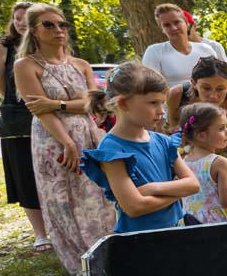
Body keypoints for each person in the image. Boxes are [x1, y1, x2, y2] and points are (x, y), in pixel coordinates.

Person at [13, 3, 116, 275]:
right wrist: (67, 142)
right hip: (52, 137)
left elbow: (92, 104)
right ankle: (80, 258)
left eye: (62, 25)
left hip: (87, 131)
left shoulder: (81, 65)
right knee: (61, 196)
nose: (58, 30)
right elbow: (39, 109)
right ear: (34, 30)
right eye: (49, 25)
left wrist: (55, 103)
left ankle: (105, 248)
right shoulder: (26, 65)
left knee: (94, 191)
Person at [81, 63, 199, 233]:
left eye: (162, 103)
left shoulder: (164, 141)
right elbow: (135, 207)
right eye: (153, 103)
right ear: (123, 103)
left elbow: (193, 184)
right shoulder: (112, 149)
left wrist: (152, 188)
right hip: (140, 240)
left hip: (175, 231)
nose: (161, 111)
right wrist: (178, 191)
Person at [0, 1, 50, 253]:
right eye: (17, 18)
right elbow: (3, 88)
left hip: (52, 116)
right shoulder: (2, 49)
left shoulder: (48, 46)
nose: (21, 22)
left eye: (27, 17)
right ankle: (40, 233)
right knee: (26, 177)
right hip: (19, 123)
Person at [166, 57, 227, 218]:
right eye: (206, 88)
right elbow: (174, 128)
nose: (213, 95)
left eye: (220, 89)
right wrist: (190, 153)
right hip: (190, 152)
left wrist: (206, 156)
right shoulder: (177, 95)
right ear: (193, 83)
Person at [178, 102, 227, 223]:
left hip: (191, 222)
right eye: (221, 128)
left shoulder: (182, 162)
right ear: (201, 135)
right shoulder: (220, 163)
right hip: (217, 224)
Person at [143, 4, 224, 84]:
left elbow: (222, 79)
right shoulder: (154, 51)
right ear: (162, 29)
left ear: (186, 23)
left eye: (177, 22)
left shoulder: (206, 50)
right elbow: (151, 86)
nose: (173, 28)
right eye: (167, 25)